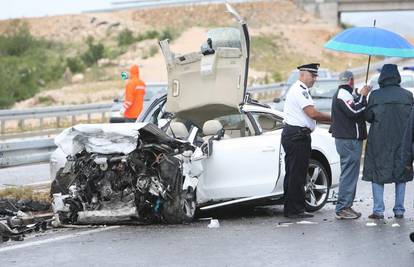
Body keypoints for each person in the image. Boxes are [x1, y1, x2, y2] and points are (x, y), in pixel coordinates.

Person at [363, 64, 413, 220]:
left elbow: (368, 117)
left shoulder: (375, 96)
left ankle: (378, 210)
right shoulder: (407, 95)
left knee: (378, 172)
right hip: (402, 139)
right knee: (401, 172)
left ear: (382, 77)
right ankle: (399, 210)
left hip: (379, 140)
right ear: (397, 76)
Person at [282, 63, 331, 219]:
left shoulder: (301, 89)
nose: (315, 79)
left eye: (315, 76)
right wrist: (334, 119)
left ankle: (292, 208)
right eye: (313, 75)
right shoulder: (299, 90)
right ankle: (295, 210)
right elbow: (312, 113)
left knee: (293, 173)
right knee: (297, 174)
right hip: (297, 136)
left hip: (296, 135)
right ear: (302, 75)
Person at [329, 71, 371, 219]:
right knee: (349, 174)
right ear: (351, 81)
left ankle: (346, 205)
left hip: (348, 139)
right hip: (348, 140)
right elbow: (355, 111)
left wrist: (359, 95)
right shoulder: (343, 94)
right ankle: (342, 208)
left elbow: (353, 106)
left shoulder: (344, 93)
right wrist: (364, 96)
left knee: (350, 173)